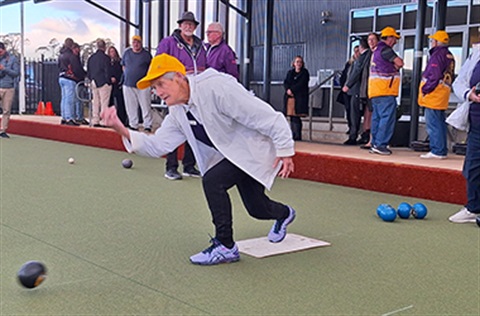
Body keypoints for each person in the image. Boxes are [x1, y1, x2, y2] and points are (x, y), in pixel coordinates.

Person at [101, 53, 296, 265]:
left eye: (160, 84)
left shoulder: (216, 87)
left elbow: (264, 115)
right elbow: (158, 146)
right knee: (257, 209)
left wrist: (284, 148)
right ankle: (285, 213)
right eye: (154, 88)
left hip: (252, 149)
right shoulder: (177, 111)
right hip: (229, 155)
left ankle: (226, 245)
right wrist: (120, 129)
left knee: (214, 180)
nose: (157, 93)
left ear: (178, 77)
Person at [155, 11, 204, 180]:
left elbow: (205, 66)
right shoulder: (168, 42)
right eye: (185, 24)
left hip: (194, 93)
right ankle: (171, 167)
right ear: (180, 25)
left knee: (194, 128)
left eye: (191, 24)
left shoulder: (200, 45)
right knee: (175, 127)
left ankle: (189, 166)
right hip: (176, 91)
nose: (188, 26)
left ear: (195, 27)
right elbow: (158, 64)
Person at [448, 35, 480, 224]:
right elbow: (459, 83)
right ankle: (473, 208)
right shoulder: (475, 54)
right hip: (476, 123)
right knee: (473, 167)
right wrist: (469, 94)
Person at [417, 30, 455, 159]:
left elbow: (434, 74)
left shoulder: (437, 55)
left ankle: (437, 150)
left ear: (437, 42)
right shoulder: (449, 55)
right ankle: (441, 149)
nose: (431, 42)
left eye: (433, 40)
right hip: (442, 94)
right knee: (439, 122)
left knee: (433, 123)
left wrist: (426, 89)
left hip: (434, 94)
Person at [368, 26, 404, 155]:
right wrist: (395, 65)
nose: (395, 41)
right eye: (394, 38)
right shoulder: (386, 50)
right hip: (385, 90)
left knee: (377, 118)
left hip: (375, 91)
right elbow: (400, 63)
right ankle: (380, 144)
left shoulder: (376, 51)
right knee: (387, 118)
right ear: (389, 38)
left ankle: (374, 143)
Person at [342, 39, 372, 145]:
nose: (356, 53)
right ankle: (362, 134)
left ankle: (355, 135)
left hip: (357, 90)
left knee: (356, 113)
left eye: (357, 50)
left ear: (360, 48)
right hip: (356, 90)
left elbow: (356, 73)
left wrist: (347, 85)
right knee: (355, 113)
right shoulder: (354, 62)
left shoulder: (362, 59)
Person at [122, 35, 153, 132]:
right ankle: (133, 124)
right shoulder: (127, 53)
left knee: (145, 105)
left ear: (141, 43)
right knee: (130, 105)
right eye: (134, 42)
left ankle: (147, 125)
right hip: (128, 84)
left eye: (138, 42)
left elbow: (151, 68)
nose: (136, 44)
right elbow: (123, 66)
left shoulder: (146, 54)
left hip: (143, 84)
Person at [359, 32, 380, 149]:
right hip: (369, 89)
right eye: (369, 40)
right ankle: (371, 140)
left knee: (374, 115)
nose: (371, 42)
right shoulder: (369, 55)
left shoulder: (380, 53)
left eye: (373, 39)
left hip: (378, 90)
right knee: (370, 115)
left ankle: (375, 141)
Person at [58, 38, 85, 126]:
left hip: (61, 77)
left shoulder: (61, 55)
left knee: (64, 98)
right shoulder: (71, 55)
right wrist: (82, 75)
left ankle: (64, 117)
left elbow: (58, 65)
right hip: (70, 78)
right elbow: (76, 68)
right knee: (70, 99)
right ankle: (70, 118)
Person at [283, 55, 310, 140]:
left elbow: (301, 84)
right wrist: (288, 89)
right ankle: (292, 134)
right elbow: (286, 82)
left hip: (299, 97)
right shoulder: (290, 73)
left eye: (300, 62)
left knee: (296, 116)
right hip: (290, 97)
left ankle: (298, 135)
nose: (298, 64)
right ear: (294, 63)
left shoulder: (305, 73)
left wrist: (292, 89)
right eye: (297, 62)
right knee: (291, 116)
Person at [87, 39, 112, 127]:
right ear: (104, 47)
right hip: (103, 81)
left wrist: (91, 79)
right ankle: (103, 120)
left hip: (93, 81)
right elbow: (107, 71)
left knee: (95, 102)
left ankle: (95, 120)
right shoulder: (106, 58)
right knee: (104, 102)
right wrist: (109, 81)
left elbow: (88, 71)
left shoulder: (91, 58)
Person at [337, 46, 360, 136]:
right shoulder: (349, 63)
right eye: (355, 51)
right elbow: (344, 75)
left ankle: (354, 130)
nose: (356, 53)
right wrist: (343, 85)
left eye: (358, 51)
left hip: (354, 90)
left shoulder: (360, 63)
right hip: (346, 90)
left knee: (354, 111)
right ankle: (350, 126)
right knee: (348, 109)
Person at [0, 42, 20, 138]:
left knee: (6, 110)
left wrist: (4, 69)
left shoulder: (12, 59)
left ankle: (3, 130)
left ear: (4, 50)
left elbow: (16, 73)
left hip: (8, 87)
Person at [108, 46, 128, 127]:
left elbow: (122, 72)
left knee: (121, 102)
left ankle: (122, 119)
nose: (112, 53)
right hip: (110, 85)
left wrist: (118, 80)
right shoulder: (107, 62)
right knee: (110, 102)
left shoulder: (119, 61)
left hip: (118, 84)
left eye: (113, 51)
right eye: (110, 51)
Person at [71, 42, 88, 125]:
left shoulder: (77, 58)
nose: (78, 50)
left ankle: (78, 116)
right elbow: (78, 69)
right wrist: (84, 74)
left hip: (79, 80)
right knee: (78, 99)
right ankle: (79, 117)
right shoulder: (74, 59)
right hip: (77, 80)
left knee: (79, 100)